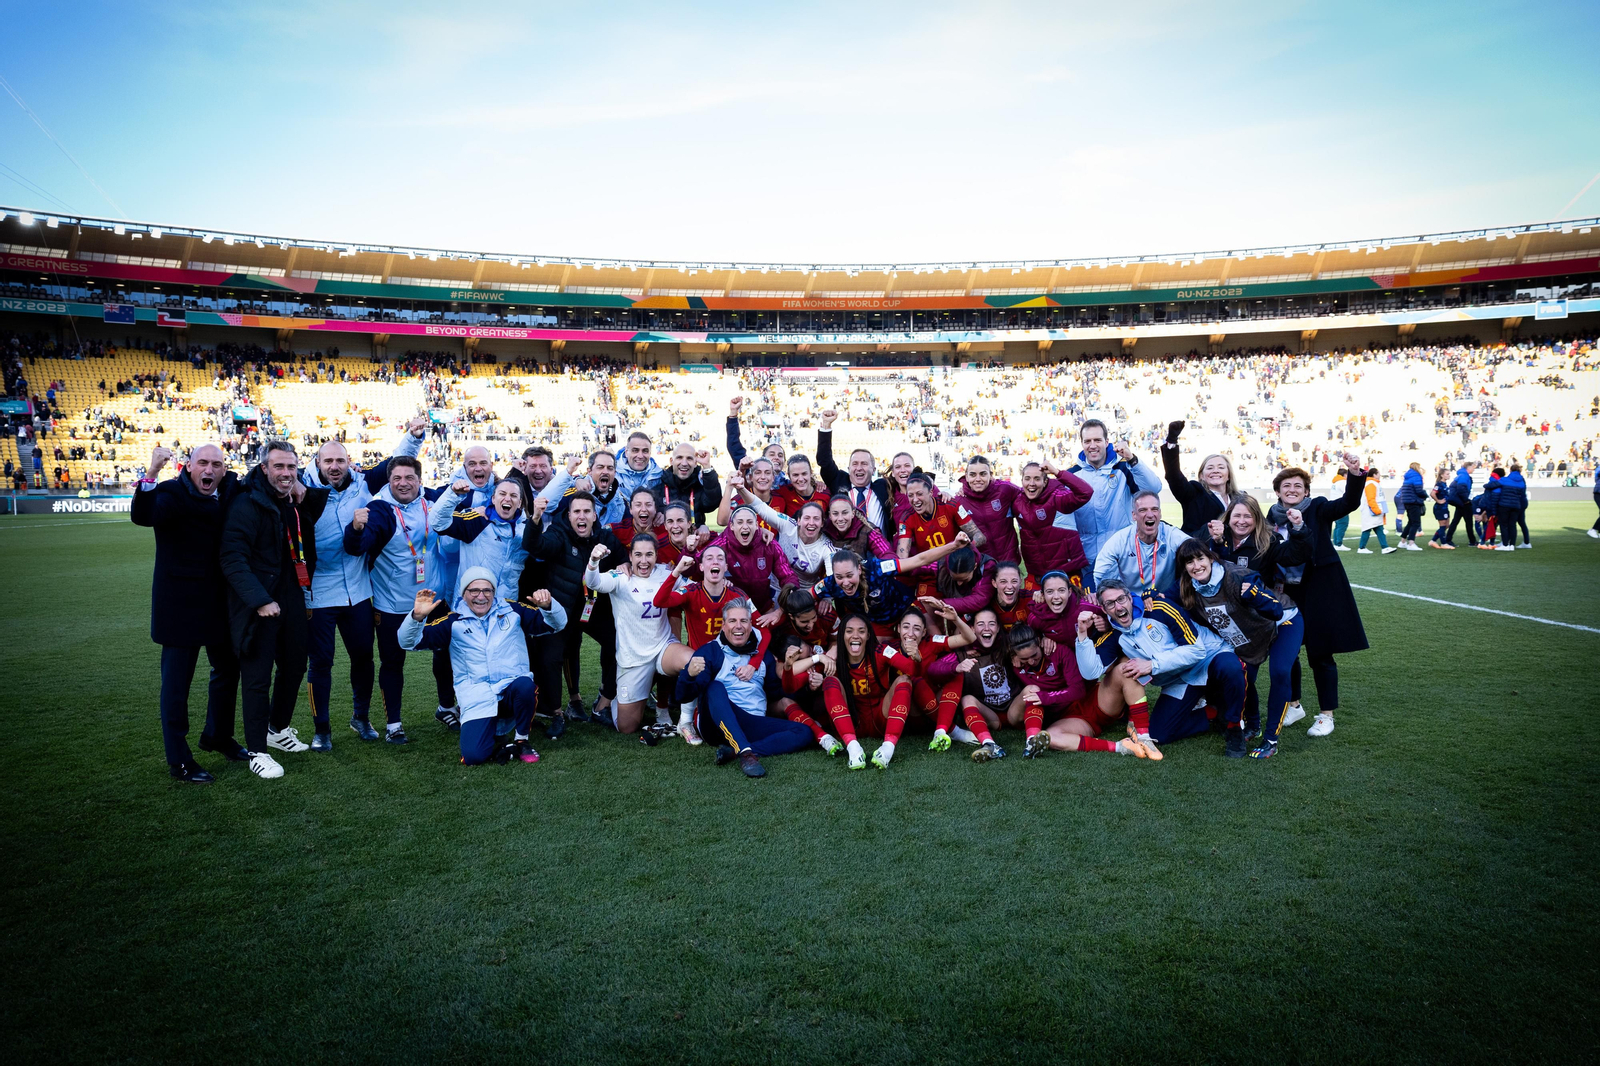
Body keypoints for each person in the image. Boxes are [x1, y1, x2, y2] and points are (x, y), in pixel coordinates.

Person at [301, 420, 426, 751]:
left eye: (339, 460)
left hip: (358, 590)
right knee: (321, 662)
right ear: (317, 463)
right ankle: (321, 729)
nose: (334, 467)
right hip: (319, 592)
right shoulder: (303, 491)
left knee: (363, 658)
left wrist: (413, 437)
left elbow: (397, 463)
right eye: (327, 461)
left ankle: (361, 717)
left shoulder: (362, 483)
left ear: (348, 462)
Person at [132, 443, 244, 782]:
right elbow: (144, 515)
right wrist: (151, 473)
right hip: (179, 607)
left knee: (227, 670)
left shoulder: (227, 491)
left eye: (216, 465)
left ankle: (217, 736)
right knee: (177, 686)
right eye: (203, 464)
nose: (209, 470)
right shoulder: (170, 493)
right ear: (189, 466)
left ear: (224, 470)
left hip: (218, 604)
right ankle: (178, 759)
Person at [219, 441, 329, 780]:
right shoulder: (246, 504)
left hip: (293, 595)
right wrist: (260, 600)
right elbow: (232, 559)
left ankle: (277, 729)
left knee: (295, 665)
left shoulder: (291, 501)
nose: (285, 473)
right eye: (278, 467)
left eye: (291, 468)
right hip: (258, 603)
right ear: (264, 468)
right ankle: (257, 750)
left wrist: (299, 487)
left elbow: (314, 507)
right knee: (257, 678)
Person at [397, 567, 567, 766]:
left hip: (511, 689)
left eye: (487, 590)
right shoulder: (453, 622)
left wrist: (548, 606)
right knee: (473, 757)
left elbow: (557, 624)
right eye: (474, 591)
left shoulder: (512, 611)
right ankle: (499, 741)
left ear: (494, 592)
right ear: (464, 594)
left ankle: (521, 740)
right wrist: (417, 617)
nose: (481, 596)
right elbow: (407, 642)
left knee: (525, 685)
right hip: (477, 697)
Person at [341, 454, 453, 744]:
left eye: (409, 478)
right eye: (396, 479)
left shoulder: (433, 501)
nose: (403, 484)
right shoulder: (380, 509)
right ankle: (394, 724)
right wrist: (355, 530)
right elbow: (357, 548)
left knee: (447, 654)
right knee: (392, 662)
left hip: (435, 600)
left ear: (420, 479)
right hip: (393, 604)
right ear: (389, 481)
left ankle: (446, 706)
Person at [1076, 579, 1249, 756]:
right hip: (1180, 679)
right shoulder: (1113, 635)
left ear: (1129, 597)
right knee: (1160, 734)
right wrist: (1082, 634)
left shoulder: (1158, 608)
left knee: (1230, 667)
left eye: (1121, 599)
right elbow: (1091, 673)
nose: (1118, 607)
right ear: (1104, 610)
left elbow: (1196, 651)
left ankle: (1234, 727)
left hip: (1209, 657)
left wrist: (1152, 665)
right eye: (1110, 604)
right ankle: (1215, 713)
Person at [1174, 540, 1303, 760]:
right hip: (1251, 635)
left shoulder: (1238, 576)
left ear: (1211, 558)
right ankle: (1253, 725)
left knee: (1280, 671)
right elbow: (1164, 597)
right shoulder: (1187, 585)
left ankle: (1271, 740)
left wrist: (1255, 595)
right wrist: (1150, 596)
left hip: (1283, 623)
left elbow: (1276, 611)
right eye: (1189, 562)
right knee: (1244, 677)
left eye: (1200, 559)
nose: (1196, 566)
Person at [1269, 456, 1369, 738]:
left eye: (1298, 486)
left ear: (1306, 491)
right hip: (1286, 593)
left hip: (1320, 589)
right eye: (1286, 485)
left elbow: (1349, 503)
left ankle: (1326, 715)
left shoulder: (1319, 508)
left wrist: (1354, 473)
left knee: (1320, 654)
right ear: (1277, 491)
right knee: (1288, 653)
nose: (1292, 489)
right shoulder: (1270, 516)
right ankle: (1294, 704)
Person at [521, 489, 627, 724]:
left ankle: (605, 701)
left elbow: (622, 556)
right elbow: (534, 545)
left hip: (592, 609)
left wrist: (625, 563)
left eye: (587, 511)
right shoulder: (559, 534)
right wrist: (536, 518)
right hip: (562, 609)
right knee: (552, 656)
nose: (582, 516)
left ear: (595, 515)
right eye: (576, 511)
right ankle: (556, 711)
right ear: (568, 516)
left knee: (620, 642)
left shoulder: (604, 536)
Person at [677, 599, 816, 778]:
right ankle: (745, 753)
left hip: (751, 721)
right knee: (714, 687)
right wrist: (688, 674)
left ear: (751, 625)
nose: (738, 626)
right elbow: (683, 695)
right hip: (715, 725)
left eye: (744, 621)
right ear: (723, 626)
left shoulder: (763, 655)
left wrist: (807, 682)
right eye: (733, 621)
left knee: (804, 732)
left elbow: (777, 692)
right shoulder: (710, 651)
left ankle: (737, 750)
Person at [582, 533, 696, 734]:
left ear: (656, 555)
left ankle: (685, 721)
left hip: (663, 648)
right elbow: (593, 583)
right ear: (631, 556)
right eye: (639, 555)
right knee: (627, 727)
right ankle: (623, 697)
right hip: (633, 658)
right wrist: (593, 561)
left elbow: (693, 587)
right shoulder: (621, 577)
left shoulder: (665, 572)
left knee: (693, 662)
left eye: (649, 555)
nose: (644, 561)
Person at [1007, 623, 1158, 760]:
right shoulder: (1014, 663)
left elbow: (1077, 690)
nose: (1031, 662)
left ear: (1040, 643)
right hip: (1069, 720)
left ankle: (1141, 732)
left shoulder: (1058, 652)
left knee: (1125, 669)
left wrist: (1046, 697)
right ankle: (1121, 747)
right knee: (1050, 738)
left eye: (1034, 656)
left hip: (1091, 700)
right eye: (1025, 659)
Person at [816, 613, 923, 769]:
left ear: (868, 635)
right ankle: (853, 749)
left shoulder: (882, 651)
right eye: (849, 631)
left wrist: (917, 658)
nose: (855, 635)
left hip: (881, 721)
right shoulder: (833, 656)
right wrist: (818, 664)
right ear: (842, 636)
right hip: (850, 723)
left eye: (861, 631)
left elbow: (912, 671)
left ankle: (887, 748)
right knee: (829, 681)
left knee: (904, 680)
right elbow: (791, 685)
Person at [813, 533, 971, 636]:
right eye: (839, 577)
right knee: (882, 654)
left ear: (859, 569)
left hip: (905, 605)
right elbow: (805, 596)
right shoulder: (829, 583)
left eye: (849, 575)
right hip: (879, 620)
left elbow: (918, 560)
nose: (845, 582)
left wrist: (954, 545)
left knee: (934, 635)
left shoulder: (878, 568)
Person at [1067, 419, 1163, 574]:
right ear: (1082, 444)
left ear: (1106, 442)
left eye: (1097, 440)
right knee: (1091, 598)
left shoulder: (1123, 468)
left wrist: (1132, 459)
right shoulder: (1072, 475)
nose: (1092, 445)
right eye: (1087, 441)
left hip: (1122, 553)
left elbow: (1153, 488)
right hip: (1086, 556)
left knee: (1122, 597)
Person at [1199, 493, 1310, 591]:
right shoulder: (1213, 532)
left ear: (1257, 519)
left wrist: (1298, 526)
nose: (1241, 521)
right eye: (1237, 516)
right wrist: (1217, 540)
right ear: (1229, 517)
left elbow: (1295, 556)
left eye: (1248, 516)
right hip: (1219, 603)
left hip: (1256, 604)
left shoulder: (1269, 540)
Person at [1093, 491, 1191, 601]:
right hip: (1131, 602)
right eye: (1143, 510)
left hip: (1164, 599)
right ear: (1134, 515)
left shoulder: (1171, 534)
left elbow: (1196, 551)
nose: (1150, 514)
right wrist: (1123, 598)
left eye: (1154, 509)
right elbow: (1099, 574)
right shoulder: (1120, 540)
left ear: (1160, 513)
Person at [897, 474, 985, 595]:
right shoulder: (906, 518)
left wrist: (966, 548)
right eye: (910, 495)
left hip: (955, 569)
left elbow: (979, 536)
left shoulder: (951, 505)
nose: (915, 499)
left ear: (931, 492)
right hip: (929, 574)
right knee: (922, 611)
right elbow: (902, 558)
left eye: (919, 494)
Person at [815, 409, 894, 537]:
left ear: (874, 470)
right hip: (845, 550)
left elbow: (908, 479)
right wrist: (826, 426)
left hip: (881, 550)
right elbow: (824, 460)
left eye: (864, 464)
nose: (859, 468)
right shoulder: (838, 481)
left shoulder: (885, 487)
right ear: (848, 468)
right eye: (855, 464)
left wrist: (937, 492)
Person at [1013, 458, 1094, 579]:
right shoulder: (1017, 500)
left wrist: (1057, 472)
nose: (1031, 483)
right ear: (1022, 480)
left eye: (1037, 478)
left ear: (1045, 482)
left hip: (1067, 571)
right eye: (1027, 478)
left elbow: (1086, 492)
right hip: (1036, 574)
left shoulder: (1058, 497)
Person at [1159, 421, 1235, 534]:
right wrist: (1172, 440)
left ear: (1229, 474)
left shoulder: (1239, 498)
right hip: (1199, 550)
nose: (1215, 471)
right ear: (1201, 476)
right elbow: (1173, 475)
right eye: (1210, 468)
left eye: (1221, 467)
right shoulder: (1194, 494)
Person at [952, 454, 1022, 563]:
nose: (978, 479)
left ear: (991, 475)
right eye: (973, 475)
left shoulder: (1005, 489)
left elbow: (1031, 494)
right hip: (981, 565)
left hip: (1008, 562)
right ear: (966, 476)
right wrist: (943, 494)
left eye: (983, 474)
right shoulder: (959, 501)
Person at [658, 442, 722, 527]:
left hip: (695, 538)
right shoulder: (659, 485)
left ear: (695, 463)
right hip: (666, 539)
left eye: (689, 458)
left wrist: (706, 466)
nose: (684, 463)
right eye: (679, 457)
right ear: (671, 461)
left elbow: (711, 504)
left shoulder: (699, 484)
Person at [1355, 470, 1396, 554]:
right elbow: (1371, 498)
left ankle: (1384, 547)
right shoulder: (1371, 484)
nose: (1380, 475)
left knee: (1378, 528)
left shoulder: (1373, 483)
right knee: (1368, 529)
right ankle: (1362, 547)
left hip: (1374, 511)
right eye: (1378, 473)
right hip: (1372, 511)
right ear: (1374, 474)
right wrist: (1376, 510)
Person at [1495, 461, 1531, 550]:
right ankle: (1518, 543)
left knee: (1507, 523)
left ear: (1510, 470)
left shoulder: (1508, 479)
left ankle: (1506, 543)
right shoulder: (1521, 479)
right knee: (1517, 523)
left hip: (1511, 503)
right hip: (1520, 503)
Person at [1443, 461, 1478, 547]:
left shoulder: (1461, 475)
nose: (1474, 469)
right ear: (1468, 468)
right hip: (1462, 502)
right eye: (1473, 467)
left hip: (1459, 502)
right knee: (1468, 521)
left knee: (1456, 521)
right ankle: (1472, 541)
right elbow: (1461, 488)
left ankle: (1448, 539)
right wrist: (1466, 500)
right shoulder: (1464, 476)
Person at [1396, 462, 1428, 551]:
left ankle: (1402, 541)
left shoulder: (1408, 476)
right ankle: (1411, 543)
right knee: (1416, 523)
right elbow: (1419, 490)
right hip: (1414, 501)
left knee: (1411, 522)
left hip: (1407, 501)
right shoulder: (1417, 476)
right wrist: (1425, 495)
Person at [1427, 466, 1454, 549]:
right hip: (1440, 508)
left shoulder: (1444, 484)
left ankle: (1433, 541)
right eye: (1447, 474)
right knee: (1442, 526)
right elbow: (1432, 493)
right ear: (1442, 475)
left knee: (1446, 525)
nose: (1449, 475)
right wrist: (1438, 501)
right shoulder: (1439, 484)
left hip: (1445, 507)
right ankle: (1443, 543)